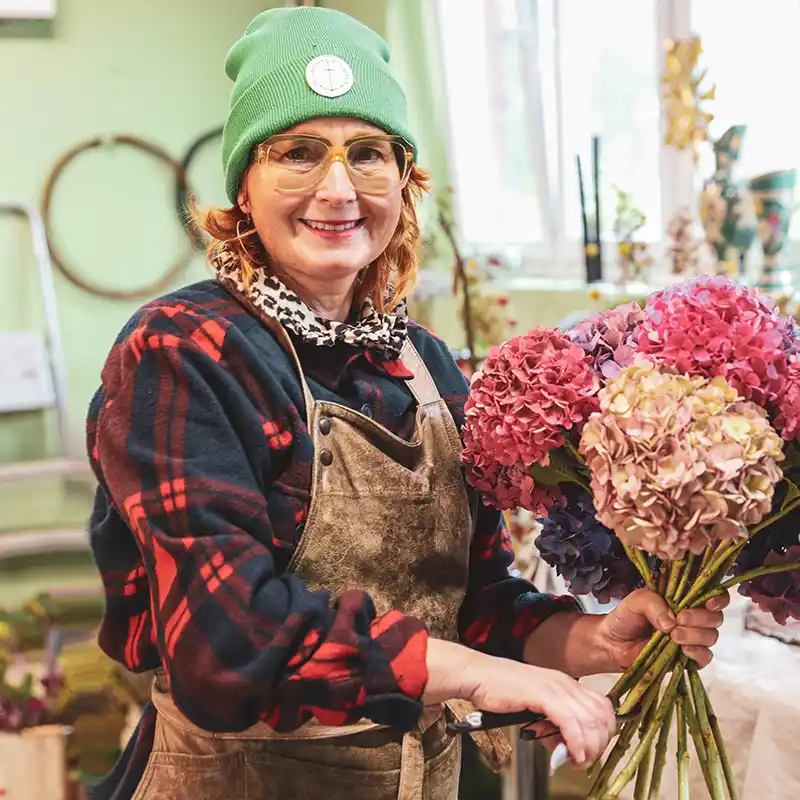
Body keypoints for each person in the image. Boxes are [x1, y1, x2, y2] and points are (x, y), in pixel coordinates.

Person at [86, 7, 728, 799]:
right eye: (297, 153)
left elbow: (473, 599)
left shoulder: (420, 364)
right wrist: (473, 674)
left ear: (402, 182)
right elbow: (226, 644)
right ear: (243, 191)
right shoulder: (184, 350)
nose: (337, 188)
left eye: (368, 154)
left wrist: (594, 639)